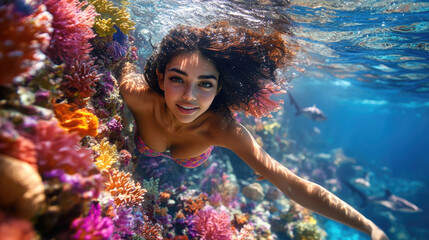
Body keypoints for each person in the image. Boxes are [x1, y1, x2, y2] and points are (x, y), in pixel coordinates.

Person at [119, 22, 389, 240]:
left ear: (219, 89)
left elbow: (294, 186)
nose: (189, 96)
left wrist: (368, 226)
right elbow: (122, 70)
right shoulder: (137, 96)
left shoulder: (223, 129)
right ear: (160, 78)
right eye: (178, 79)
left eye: (205, 84)